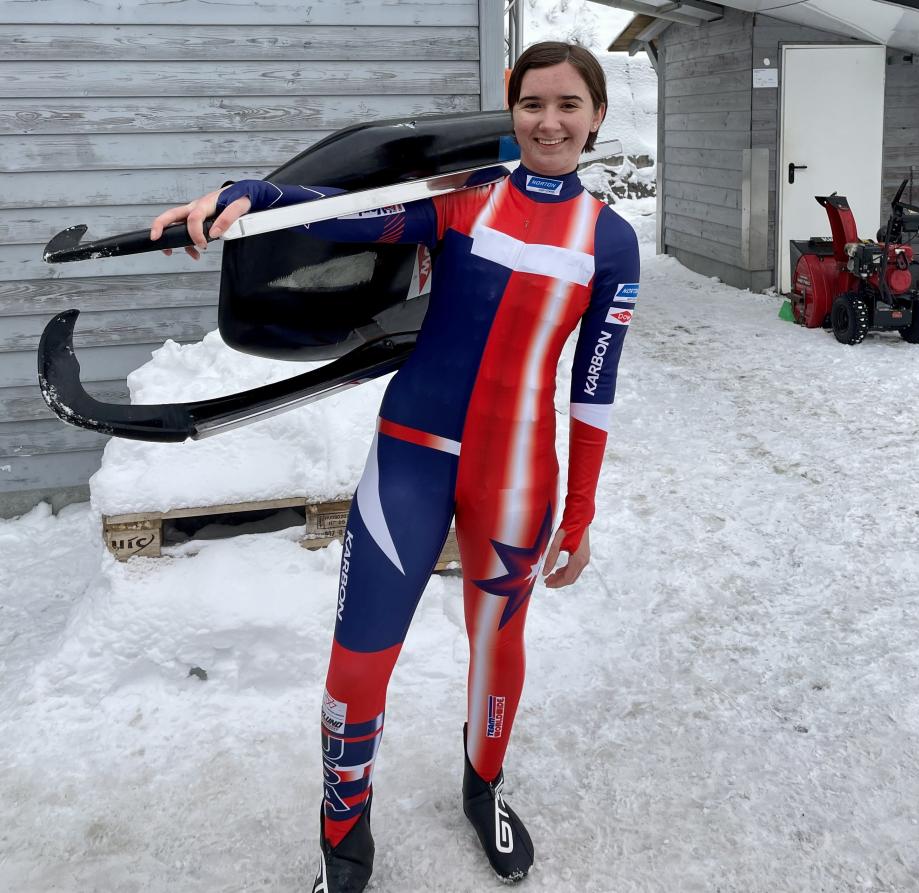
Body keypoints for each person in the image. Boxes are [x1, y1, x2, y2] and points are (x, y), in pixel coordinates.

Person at [150, 41, 639, 893]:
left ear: (597, 116)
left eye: (568, 105)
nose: (549, 121)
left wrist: (584, 509)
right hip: (412, 455)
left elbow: (593, 395)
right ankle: (345, 838)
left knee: (499, 646)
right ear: (510, 107)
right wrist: (256, 196)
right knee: (360, 657)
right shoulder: (466, 200)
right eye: (533, 104)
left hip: (518, 473)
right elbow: (345, 214)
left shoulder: (612, 243)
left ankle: (481, 788)